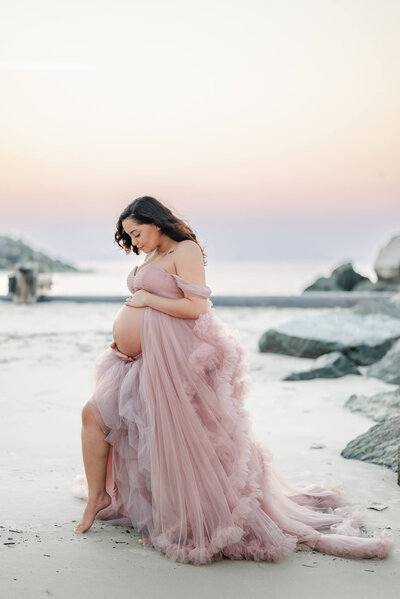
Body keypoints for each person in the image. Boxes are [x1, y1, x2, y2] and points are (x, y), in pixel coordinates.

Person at [72, 196, 393, 565]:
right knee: (95, 418)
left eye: (137, 232)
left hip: (175, 362)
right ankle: (100, 495)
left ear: (157, 222)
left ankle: (183, 517)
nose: (134, 242)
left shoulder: (185, 249)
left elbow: (195, 308)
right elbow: (151, 303)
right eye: (128, 237)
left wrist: (144, 300)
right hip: (138, 359)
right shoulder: (153, 255)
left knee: (176, 440)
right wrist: (131, 330)